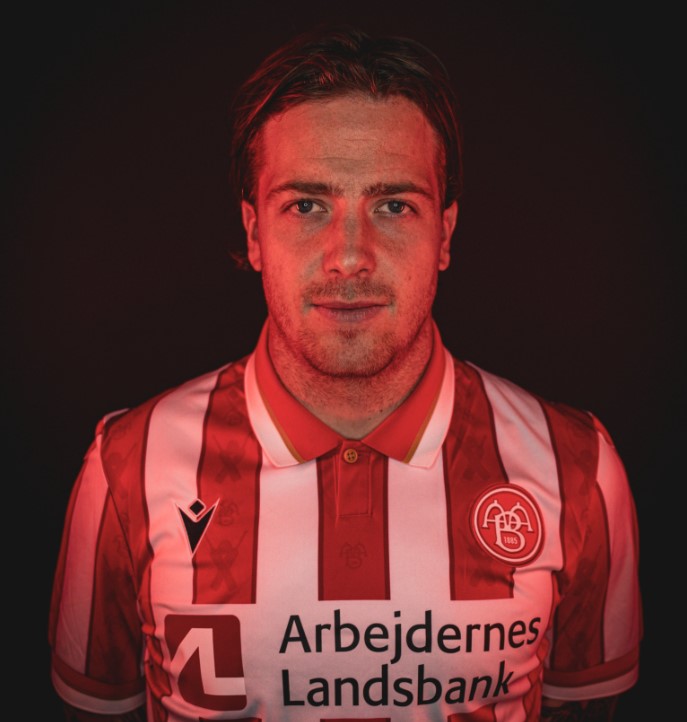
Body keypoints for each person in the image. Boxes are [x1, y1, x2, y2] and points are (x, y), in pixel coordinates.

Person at [48, 25, 642, 722]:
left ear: (444, 233)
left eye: (393, 205)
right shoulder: (126, 467)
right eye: (306, 205)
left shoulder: (577, 468)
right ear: (253, 233)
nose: (350, 255)